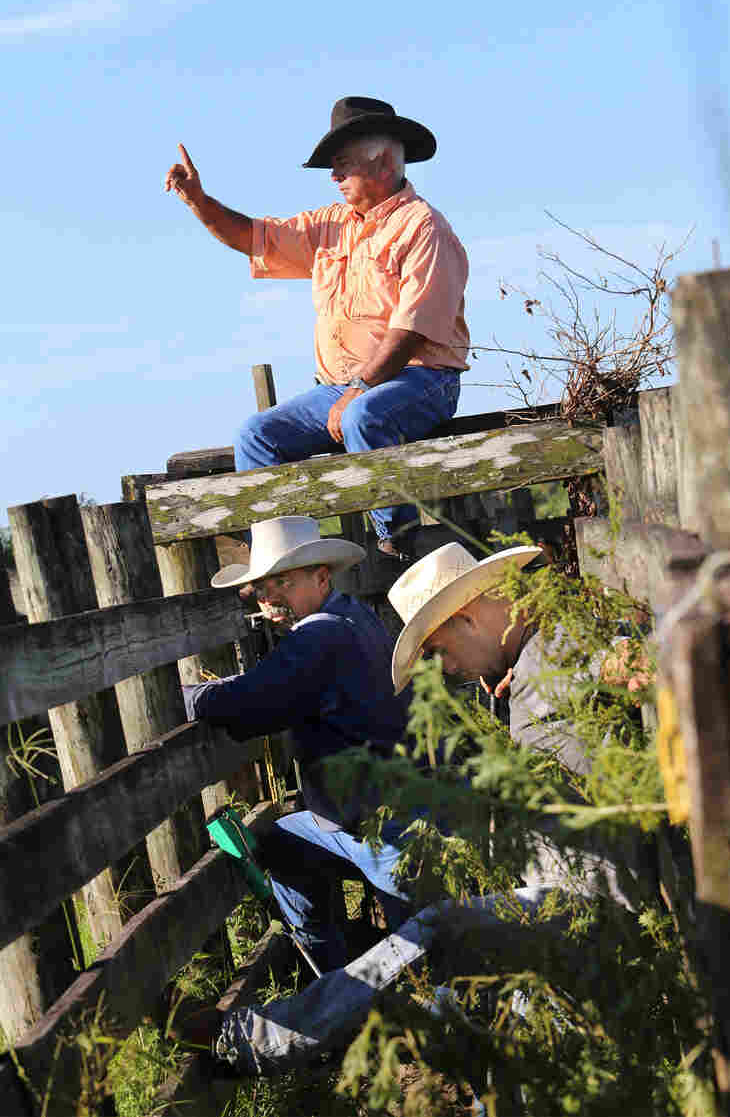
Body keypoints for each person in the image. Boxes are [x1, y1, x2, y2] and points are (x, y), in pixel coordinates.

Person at [165, 96, 470, 559]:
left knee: (362, 417)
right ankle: (280, 556)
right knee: (256, 435)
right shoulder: (331, 225)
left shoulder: (423, 227)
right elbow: (254, 238)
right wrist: (199, 202)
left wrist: (357, 388)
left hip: (422, 379)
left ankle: (398, 541)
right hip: (344, 388)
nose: (334, 177)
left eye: (342, 165)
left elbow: (413, 329)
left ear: (384, 162)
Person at [185, 515, 414, 973]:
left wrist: (196, 694)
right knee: (282, 844)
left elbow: (247, 704)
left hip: (380, 827)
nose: (267, 595)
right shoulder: (354, 615)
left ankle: (345, 992)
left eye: (281, 582)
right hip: (381, 813)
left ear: (321, 576)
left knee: (425, 958)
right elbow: (277, 684)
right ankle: (331, 971)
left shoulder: (318, 637)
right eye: (262, 585)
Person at [387, 541, 657, 910]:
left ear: (468, 620)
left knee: (441, 928)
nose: (447, 668)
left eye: (440, 651)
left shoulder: (553, 653)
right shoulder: (531, 659)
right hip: (584, 895)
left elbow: (631, 661)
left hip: (600, 908)